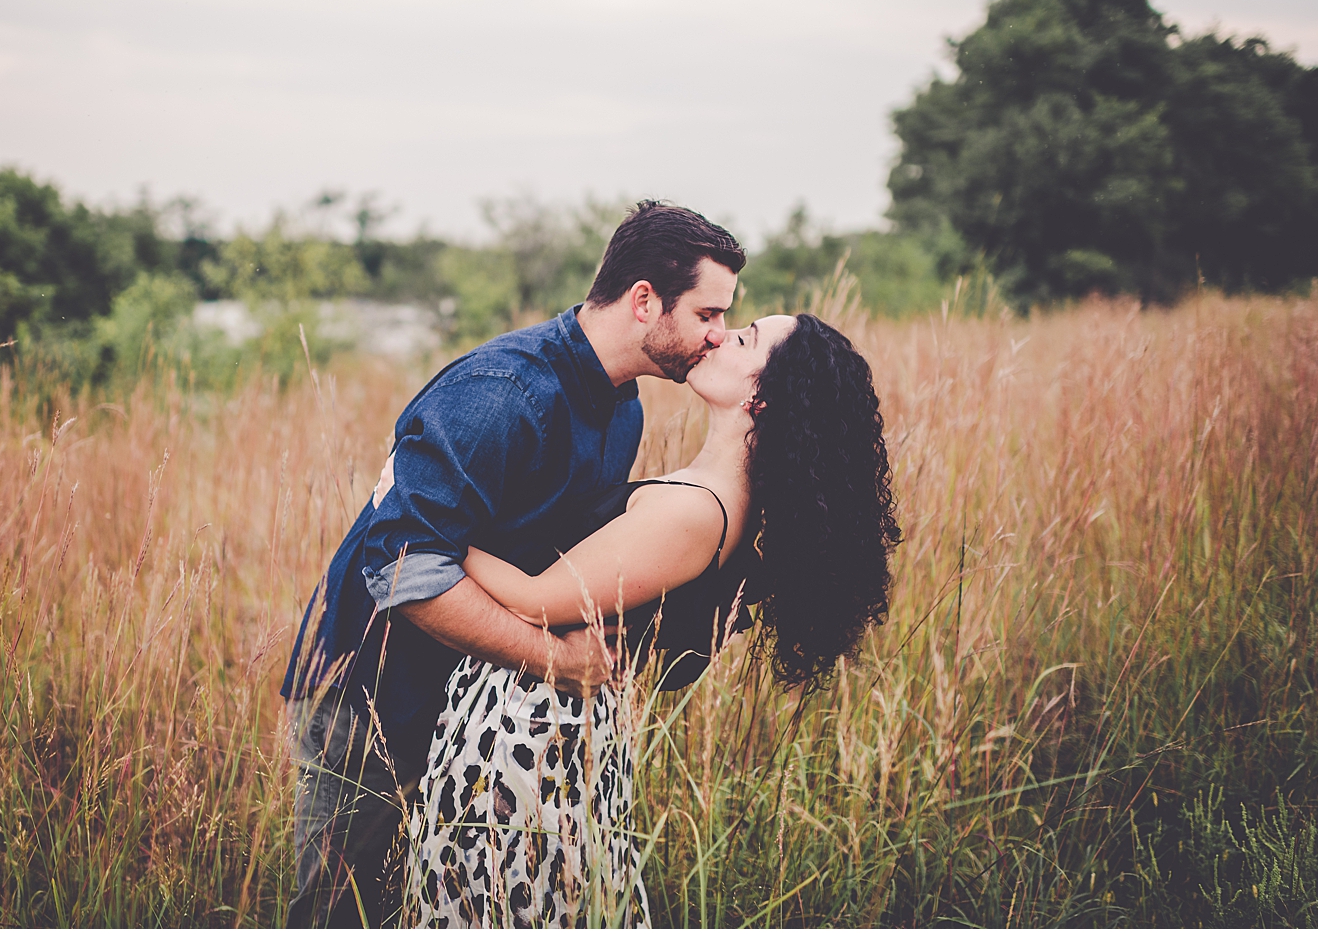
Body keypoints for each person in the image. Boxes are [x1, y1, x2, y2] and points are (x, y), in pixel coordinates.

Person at [281, 200, 746, 927]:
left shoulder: (623, 405)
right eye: (709, 312)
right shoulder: (503, 392)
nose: (717, 335)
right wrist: (555, 658)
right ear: (645, 299)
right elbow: (402, 568)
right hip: (372, 696)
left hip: (467, 709)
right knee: (338, 912)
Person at [405, 312, 900, 929]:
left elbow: (534, 598)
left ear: (762, 396)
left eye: (744, 338)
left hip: (531, 732)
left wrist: (420, 522)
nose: (719, 335)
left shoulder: (696, 510)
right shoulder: (712, 495)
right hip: (552, 720)